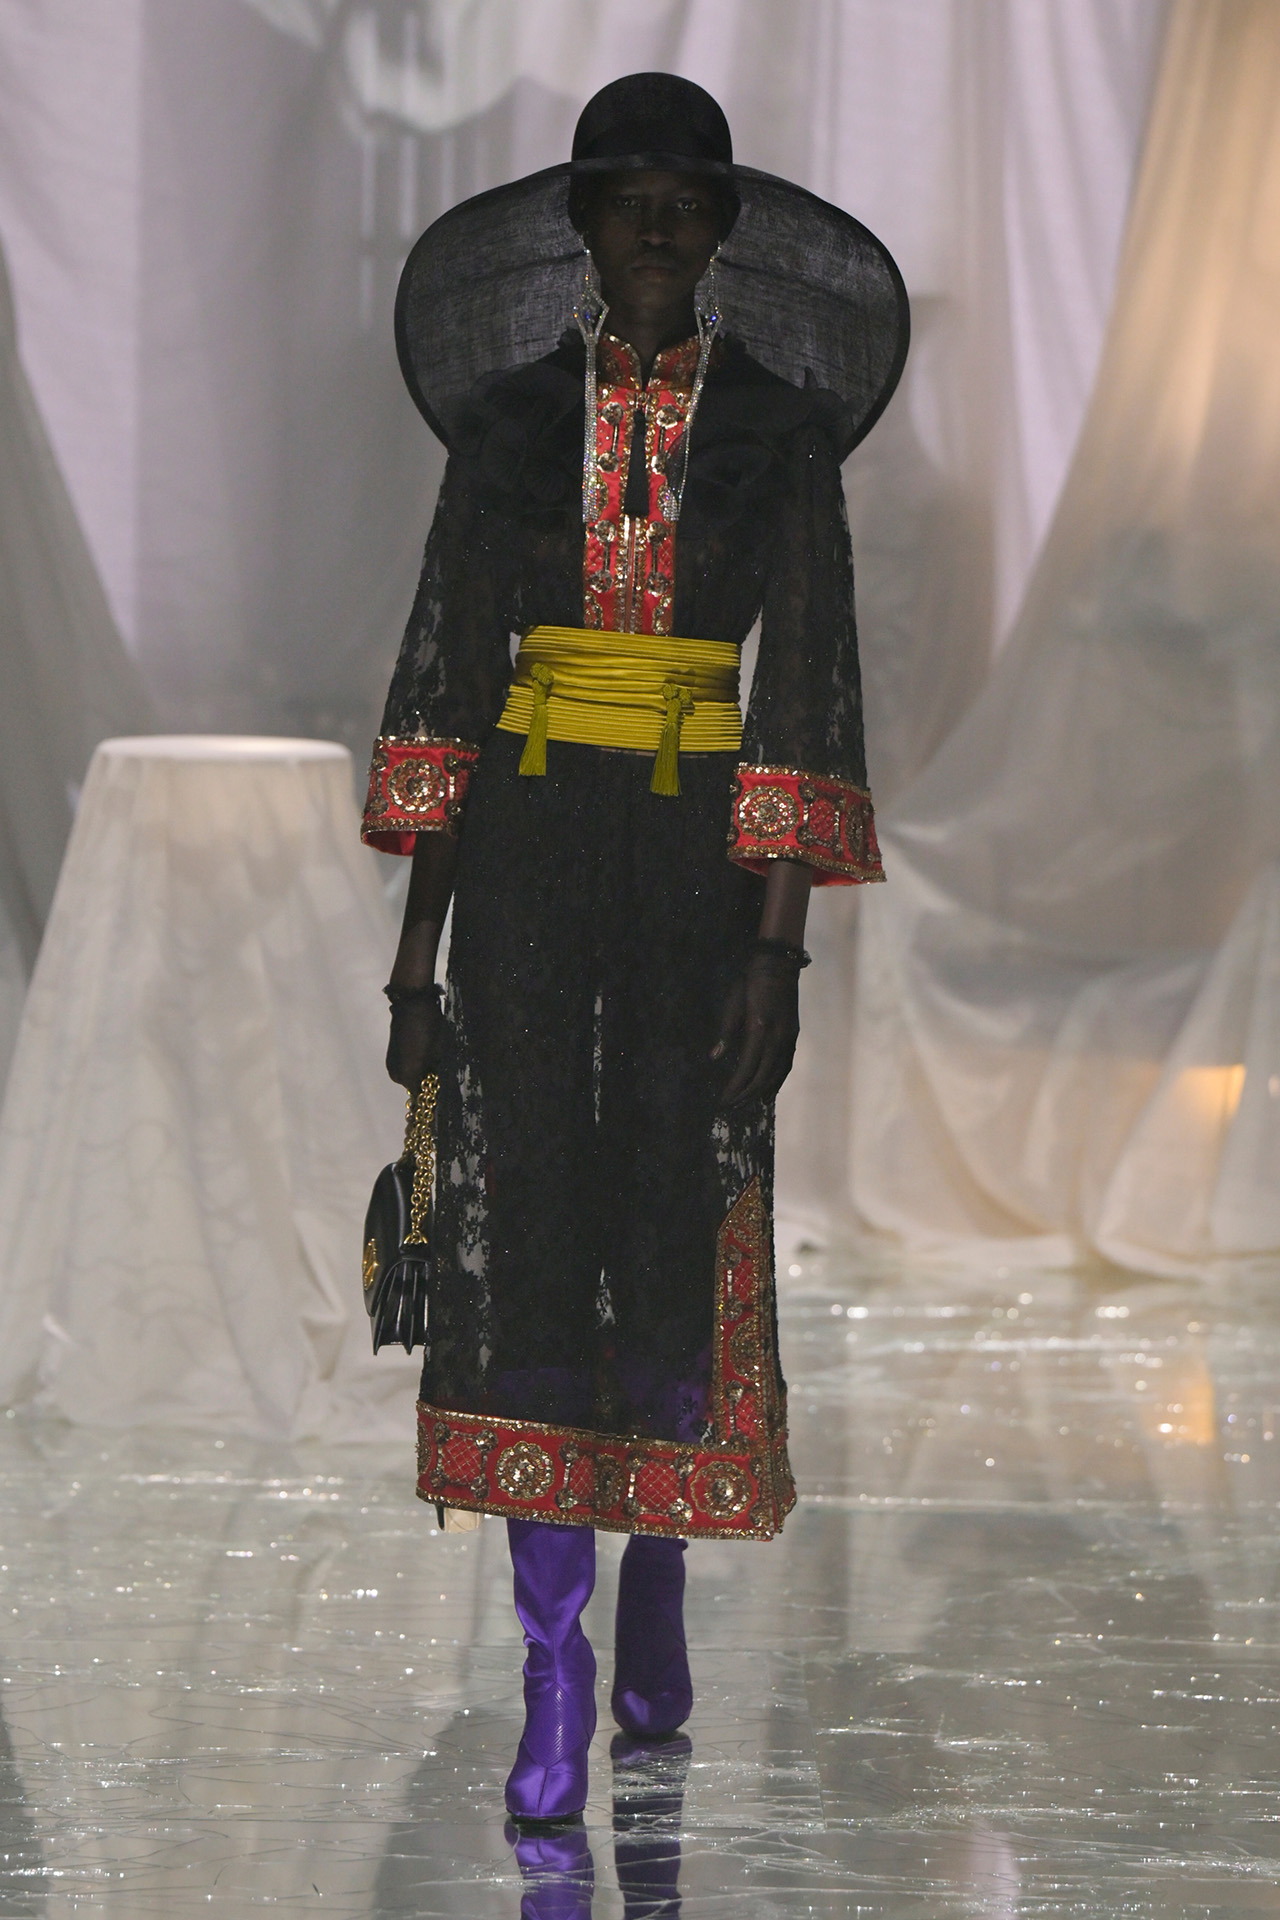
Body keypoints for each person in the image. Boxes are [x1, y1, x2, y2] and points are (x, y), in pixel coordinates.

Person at [362, 72, 908, 1822]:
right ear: (584, 226)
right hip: (525, 861)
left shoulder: (779, 433)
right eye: (628, 198)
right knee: (527, 1222)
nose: (658, 226)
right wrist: (415, 962)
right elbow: (448, 682)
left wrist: (777, 954)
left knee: (673, 1207)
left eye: (687, 201)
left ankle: (657, 1561)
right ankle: (553, 1662)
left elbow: (806, 692)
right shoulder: (508, 428)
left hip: (695, 867)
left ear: (724, 231)